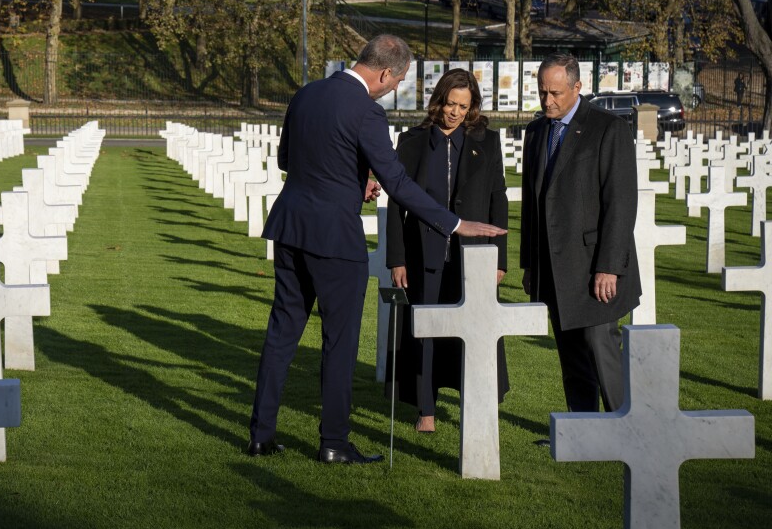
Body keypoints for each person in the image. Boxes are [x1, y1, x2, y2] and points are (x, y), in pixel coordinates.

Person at [248, 35, 507, 464]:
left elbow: (287, 160)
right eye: (398, 81)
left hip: (291, 228)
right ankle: (333, 442)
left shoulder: (307, 93)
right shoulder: (367, 110)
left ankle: (261, 434)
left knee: (281, 334)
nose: (394, 88)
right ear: (386, 72)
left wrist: (353, 180)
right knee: (339, 343)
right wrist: (455, 223)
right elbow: (399, 183)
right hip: (334, 240)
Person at [385, 68, 509, 433]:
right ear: (439, 100)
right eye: (450, 103)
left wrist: (499, 256)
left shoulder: (488, 142)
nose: (454, 112)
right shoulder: (412, 142)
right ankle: (426, 408)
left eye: (463, 106)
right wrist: (397, 258)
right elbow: (395, 205)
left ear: (472, 107)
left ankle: (479, 399)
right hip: (423, 251)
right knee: (426, 328)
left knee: (475, 330)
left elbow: (497, 197)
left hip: (473, 253)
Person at [520, 53, 641, 414]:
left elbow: (620, 203)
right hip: (555, 266)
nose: (547, 101)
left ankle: (625, 424)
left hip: (594, 266)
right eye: (542, 92)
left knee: (600, 343)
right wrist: (531, 264)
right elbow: (532, 203)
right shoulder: (536, 131)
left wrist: (609, 266)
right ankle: (581, 429)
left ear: (577, 87)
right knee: (570, 351)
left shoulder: (608, 129)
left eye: (555, 93)